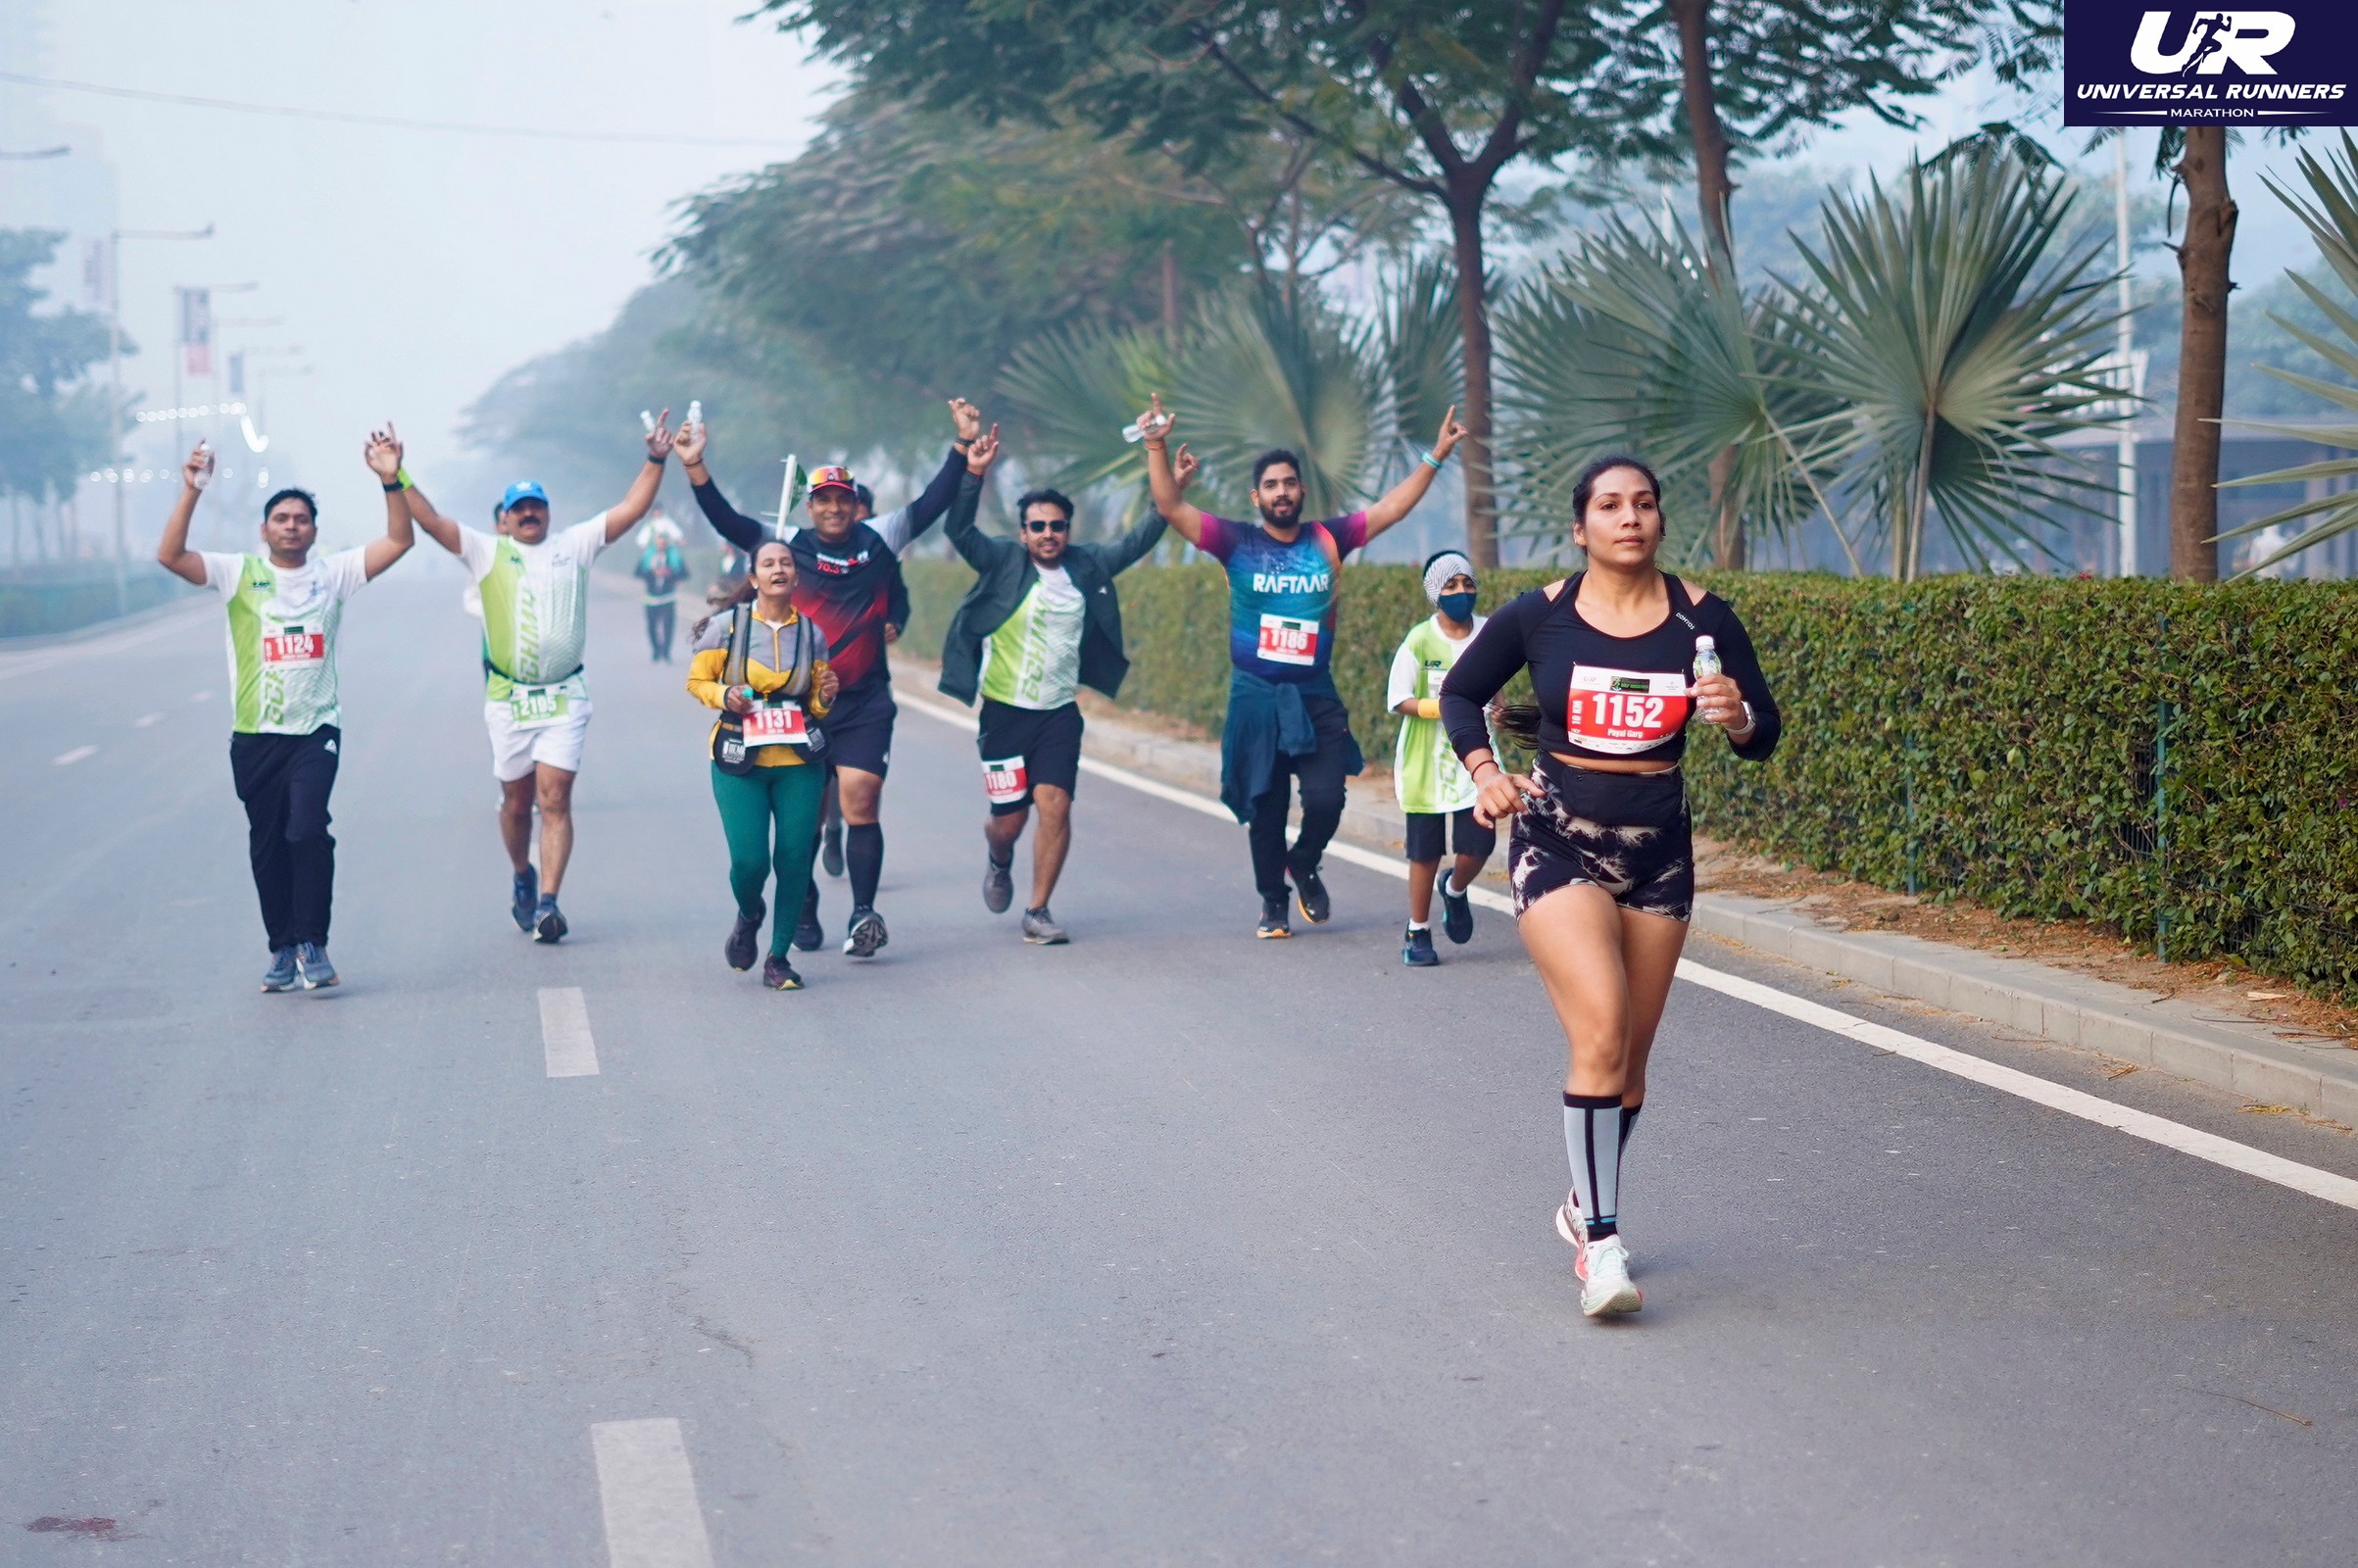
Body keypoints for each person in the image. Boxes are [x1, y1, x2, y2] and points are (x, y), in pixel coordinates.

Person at [1438, 455, 1780, 1319]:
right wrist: (1486, 772)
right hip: (1557, 839)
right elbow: (1461, 693)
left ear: (1660, 520)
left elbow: (1763, 731)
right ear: (1580, 527)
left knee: (1629, 1067)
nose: (1630, 517)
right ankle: (1601, 1245)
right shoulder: (1539, 615)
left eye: (1645, 504)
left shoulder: (1704, 621)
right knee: (1599, 1027)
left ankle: (1580, 1202)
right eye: (1611, 505)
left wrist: (1737, 716)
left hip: (1659, 853)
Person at [1136, 394, 1468, 938]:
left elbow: (1390, 509)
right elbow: (1172, 508)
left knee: (1326, 796)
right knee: (1265, 806)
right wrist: (1155, 444)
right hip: (1255, 695)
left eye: (1289, 483)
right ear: (1257, 496)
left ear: (1301, 490)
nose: (1282, 491)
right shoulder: (1235, 542)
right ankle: (1273, 902)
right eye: (1271, 485)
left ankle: (1304, 859)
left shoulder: (1328, 539)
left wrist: (1435, 456)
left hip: (1314, 691)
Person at [675, 399, 981, 958]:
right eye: (824, 500)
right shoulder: (786, 547)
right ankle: (806, 903)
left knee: (861, 798)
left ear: (855, 504)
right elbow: (727, 520)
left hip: (864, 701)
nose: (835, 508)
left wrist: (961, 446)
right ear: (810, 506)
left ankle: (864, 914)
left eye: (844, 499)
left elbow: (932, 501)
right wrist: (695, 464)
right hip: (797, 709)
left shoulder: (881, 537)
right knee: (806, 822)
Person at [394, 414, 676, 942]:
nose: (529, 514)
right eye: (519, 508)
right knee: (516, 803)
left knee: (556, 798)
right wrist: (397, 475)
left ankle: (549, 902)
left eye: (536, 506)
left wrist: (656, 459)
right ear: (506, 518)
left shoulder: (575, 545)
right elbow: (431, 522)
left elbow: (631, 509)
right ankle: (522, 874)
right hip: (509, 698)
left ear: (548, 513)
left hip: (565, 694)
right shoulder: (486, 551)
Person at [154, 429, 416, 991]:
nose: (291, 526)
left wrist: (391, 480)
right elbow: (170, 556)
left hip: (315, 731)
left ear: (314, 531)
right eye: (281, 519)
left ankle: (313, 942)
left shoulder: (333, 574)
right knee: (269, 844)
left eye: (301, 519)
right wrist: (192, 490)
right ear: (264, 530)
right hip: (255, 736)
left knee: (307, 830)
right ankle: (282, 948)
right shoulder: (238, 573)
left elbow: (399, 541)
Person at [936, 426, 1176, 943]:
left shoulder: (1088, 566)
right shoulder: (1003, 561)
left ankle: (1038, 910)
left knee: (1055, 804)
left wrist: (1170, 487)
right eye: (1038, 526)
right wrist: (973, 473)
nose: (1048, 534)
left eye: (1057, 526)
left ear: (1068, 530)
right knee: (1009, 822)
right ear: (1023, 533)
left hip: (1058, 714)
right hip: (1003, 713)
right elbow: (958, 529)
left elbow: (1143, 535)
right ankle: (998, 855)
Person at [685, 540, 842, 990]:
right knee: (749, 861)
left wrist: (825, 696)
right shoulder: (726, 628)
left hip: (798, 761)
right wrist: (725, 694)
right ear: (754, 578)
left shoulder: (812, 634)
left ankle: (778, 957)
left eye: (786, 563)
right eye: (768, 564)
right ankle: (750, 913)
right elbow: (697, 682)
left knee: (795, 858)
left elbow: (816, 703)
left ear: (795, 577)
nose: (778, 569)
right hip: (740, 758)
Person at [1387, 550, 1495, 967]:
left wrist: (1501, 711)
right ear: (1435, 593)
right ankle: (1417, 930)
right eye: (1451, 585)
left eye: (1467, 583)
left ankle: (1455, 888)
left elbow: (1497, 684)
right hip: (1425, 764)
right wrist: (1443, 707)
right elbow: (1398, 699)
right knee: (1424, 852)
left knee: (1480, 843)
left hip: (1476, 759)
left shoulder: (1487, 632)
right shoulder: (1419, 639)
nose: (1461, 592)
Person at [633, 514, 689, 662]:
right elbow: (638, 572)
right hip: (651, 597)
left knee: (668, 626)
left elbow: (684, 573)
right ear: (655, 542)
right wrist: (652, 573)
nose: (661, 544)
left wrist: (670, 574)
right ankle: (656, 651)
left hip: (668, 597)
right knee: (652, 626)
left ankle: (666, 652)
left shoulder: (674, 557)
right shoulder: (648, 556)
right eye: (659, 541)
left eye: (664, 541)